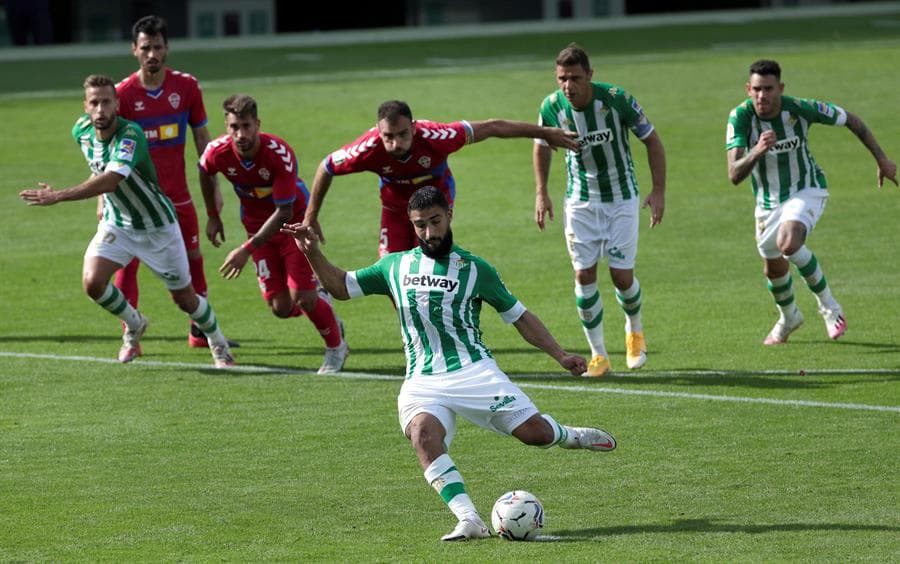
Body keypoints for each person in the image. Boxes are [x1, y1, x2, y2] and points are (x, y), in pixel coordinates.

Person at [282, 187, 616, 541]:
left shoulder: (475, 269)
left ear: (450, 215)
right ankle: (469, 519)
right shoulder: (395, 266)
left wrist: (560, 354)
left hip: (474, 371)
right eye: (420, 225)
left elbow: (519, 316)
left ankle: (571, 436)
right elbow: (341, 286)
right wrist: (312, 251)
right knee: (423, 435)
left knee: (537, 435)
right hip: (422, 379)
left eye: (435, 221)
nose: (429, 232)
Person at [19, 74, 235, 368]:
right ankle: (134, 325)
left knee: (184, 299)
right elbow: (98, 168)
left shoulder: (130, 134)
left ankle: (217, 342)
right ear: (85, 106)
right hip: (118, 223)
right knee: (93, 282)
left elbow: (111, 179)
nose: (101, 109)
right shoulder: (81, 131)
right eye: (94, 103)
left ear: (117, 104)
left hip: (157, 227)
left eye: (106, 102)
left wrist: (59, 196)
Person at [726, 59, 897, 345]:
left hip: (806, 189)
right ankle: (789, 317)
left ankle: (830, 308)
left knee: (789, 243)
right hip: (767, 203)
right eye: (756, 89)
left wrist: (881, 159)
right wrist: (757, 150)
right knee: (773, 268)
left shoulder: (800, 109)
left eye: (768, 89)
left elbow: (851, 120)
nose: (762, 96)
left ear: (780, 88)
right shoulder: (740, 118)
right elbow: (734, 174)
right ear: (748, 89)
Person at [533, 43, 666, 377]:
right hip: (580, 203)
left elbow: (652, 139)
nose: (568, 85)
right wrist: (541, 192)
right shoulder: (551, 106)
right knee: (584, 275)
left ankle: (634, 331)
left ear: (590, 75)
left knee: (621, 276)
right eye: (562, 78)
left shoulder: (617, 99)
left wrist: (658, 191)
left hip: (621, 199)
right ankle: (599, 355)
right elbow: (541, 146)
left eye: (575, 78)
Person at [302, 99, 580, 257]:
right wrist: (311, 215)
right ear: (378, 131)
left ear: (414, 127)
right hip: (395, 207)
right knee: (391, 268)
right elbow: (326, 166)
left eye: (403, 134)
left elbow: (492, 127)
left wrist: (544, 132)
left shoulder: (437, 136)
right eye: (388, 136)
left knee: (431, 256)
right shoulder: (367, 149)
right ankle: (414, 328)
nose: (396, 143)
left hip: (436, 198)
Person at [199, 94, 349, 374]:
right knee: (280, 307)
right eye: (234, 127)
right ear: (226, 126)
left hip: (292, 225)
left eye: (246, 126)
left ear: (258, 124)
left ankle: (336, 347)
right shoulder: (217, 152)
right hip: (256, 229)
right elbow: (205, 170)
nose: (240, 134)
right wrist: (212, 214)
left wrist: (246, 249)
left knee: (303, 297)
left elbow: (283, 211)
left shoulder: (279, 154)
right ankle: (320, 301)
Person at [112, 15, 236, 349]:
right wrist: (102, 199)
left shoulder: (187, 87)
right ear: (134, 50)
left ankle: (199, 332)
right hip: (138, 201)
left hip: (178, 196)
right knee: (128, 264)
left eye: (157, 47)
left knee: (194, 258)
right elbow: (111, 152)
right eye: (145, 48)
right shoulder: (123, 95)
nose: (152, 54)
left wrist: (215, 188)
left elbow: (203, 141)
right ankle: (131, 334)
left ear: (167, 48)